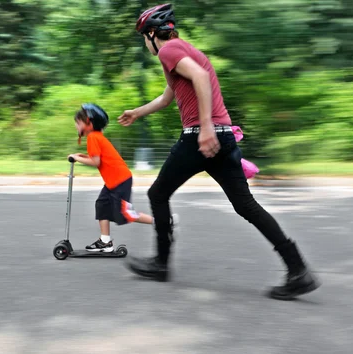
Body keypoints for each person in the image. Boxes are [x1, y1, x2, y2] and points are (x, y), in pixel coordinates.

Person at [117, 3, 320, 300]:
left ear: (151, 33)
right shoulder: (185, 50)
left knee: (157, 195)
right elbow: (168, 96)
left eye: (143, 37)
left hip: (201, 137)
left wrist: (206, 128)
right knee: (246, 206)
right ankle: (298, 270)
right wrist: (138, 112)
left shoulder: (168, 50)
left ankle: (160, 264)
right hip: (224, 139)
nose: (144, 43)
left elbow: (199, 78)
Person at [69, 103, 171, 252]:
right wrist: (80, 156)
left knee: (126, 213)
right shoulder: (96, 136)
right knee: (101, 205)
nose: (76, 126)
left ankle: (163, 222)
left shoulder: (93, 138)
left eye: (78, 123)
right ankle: (105, 242)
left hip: (119, 181)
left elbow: (95, 162)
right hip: (114, 181)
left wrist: (76, 158)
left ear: (89, 123)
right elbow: (98, 158)